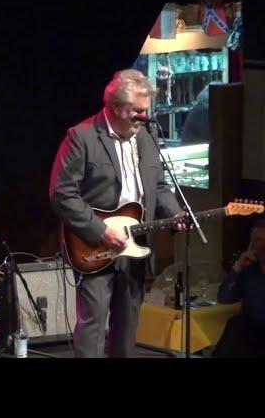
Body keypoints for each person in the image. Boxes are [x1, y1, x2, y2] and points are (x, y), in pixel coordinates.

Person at [49, 69, 184, 358]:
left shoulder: (146, 138)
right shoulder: (82, 137)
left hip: (136, 244)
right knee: (93, 327)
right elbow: (62, 194)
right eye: (137, 111)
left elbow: (158, 186)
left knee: (127, 328)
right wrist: (101, 231)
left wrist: (175, 213)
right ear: (116, 108)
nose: (144, 117)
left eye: (146, 110)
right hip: (95, 245)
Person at [214, 220, 265, 357]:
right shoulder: (248, 271)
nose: (254, 245)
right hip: (251, 329)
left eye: (259, 240)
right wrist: (237, 268)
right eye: (252, 240)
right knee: (235, 324)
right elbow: (224, 298)